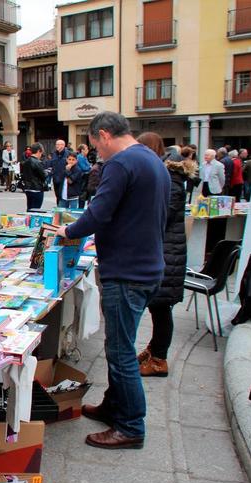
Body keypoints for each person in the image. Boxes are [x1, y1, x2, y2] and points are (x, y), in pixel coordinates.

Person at [57, 111, 169, 450]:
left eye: (95, 146)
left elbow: (98, 212)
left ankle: (131, 426)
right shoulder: (151, 159)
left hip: (127, 271)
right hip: (147, 267)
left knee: (120, 352)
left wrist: (67, 230)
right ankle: (113, 406)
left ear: (104, 135)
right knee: (120, 344)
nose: (96, 153)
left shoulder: (120, 164)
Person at [135, 137, 196, 378]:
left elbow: (162, 216)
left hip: (167, 252)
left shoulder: (169, 178)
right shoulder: (166, 175)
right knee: (158, 308)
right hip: (165, 250)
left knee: (161, 307)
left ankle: (159, 359)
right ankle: (154, 350)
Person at [21, 143, 47, 211]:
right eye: (41, 153)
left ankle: (28, 221)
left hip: (28, 188)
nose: (41, 155)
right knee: (36, 210)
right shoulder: (37, 162)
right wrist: (47, 173)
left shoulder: (26, 161)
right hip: (37, 188)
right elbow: (43, 176)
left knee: (29, 208)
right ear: (39, 151)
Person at [48, 139, 70, 204]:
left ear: (63, 145)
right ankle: (59, 209)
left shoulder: (68, 154)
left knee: (62, 196)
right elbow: (51, 164)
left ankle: (62, 209)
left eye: (58, 144)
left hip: (63, 178)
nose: (57, 146)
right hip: (55, 178)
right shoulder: (54, 154)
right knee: (57, 195)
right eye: (56, 144)